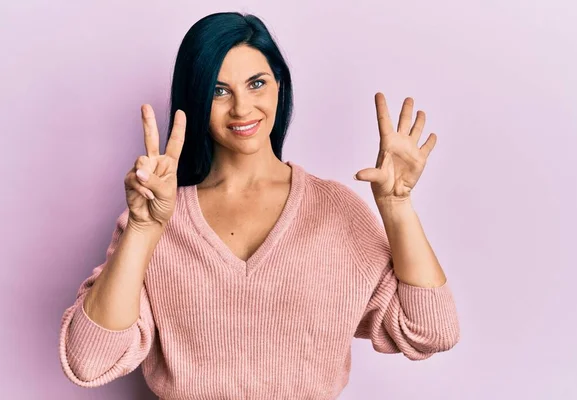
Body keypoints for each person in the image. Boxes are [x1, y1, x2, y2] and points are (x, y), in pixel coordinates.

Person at [58, 11, 460, 400]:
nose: (241, 108)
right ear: (195, 100)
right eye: (218, 90)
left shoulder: (337, 212)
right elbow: (90, 361)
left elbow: (431, 329)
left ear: (279, 85)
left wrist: (396, 205)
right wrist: (144, 231)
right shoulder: (156, 218)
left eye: (256, 83)